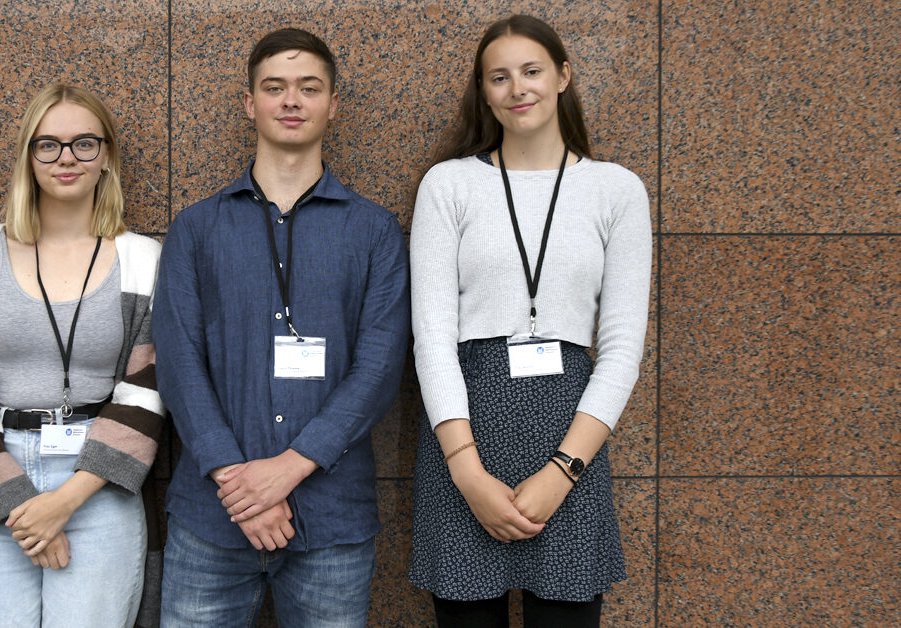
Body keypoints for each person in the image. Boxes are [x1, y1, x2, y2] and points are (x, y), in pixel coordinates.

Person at [152, 27, 410, 627]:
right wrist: (238, 485)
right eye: (275, 87)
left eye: (308, 87)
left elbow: (379, 366)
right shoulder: (196, 229)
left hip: (333, 520)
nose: (291, 100)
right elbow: (180, 362)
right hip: (212, 518)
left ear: (332, 104)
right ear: (250, 103)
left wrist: (288, 468)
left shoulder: (374, 231)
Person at [408, 15, 652, 627]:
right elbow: (431, 338)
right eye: (500, 76)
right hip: (465, 434)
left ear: (563, 76)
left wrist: (564, 470)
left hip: (572, 440)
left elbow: (622, 346)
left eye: (532, 70)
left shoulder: (615, 191)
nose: (518, 87)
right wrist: (466, 471)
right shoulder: (450, 184)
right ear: (484, 92)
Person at [0, 83, 165, 627]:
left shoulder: (142, 260)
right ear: (28, 156)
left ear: (106, 156)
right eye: (49, 144)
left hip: (101, 483)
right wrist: (21, 506)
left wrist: (64, 501)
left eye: (85, 143)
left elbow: (149, 389)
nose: (66, 158)